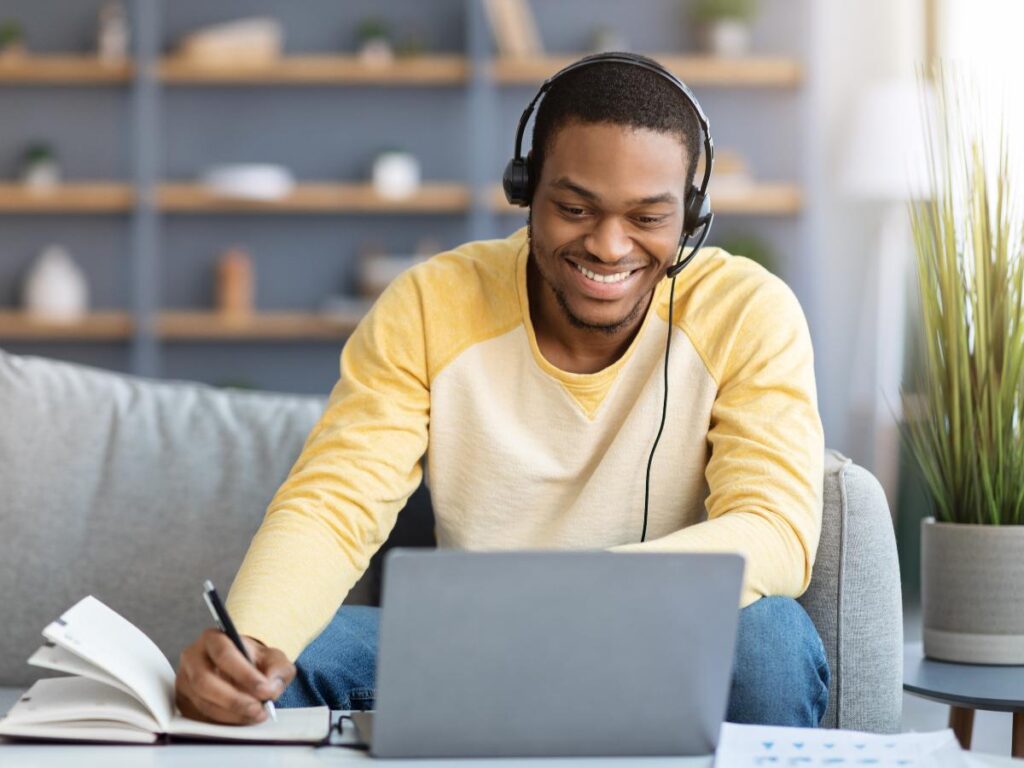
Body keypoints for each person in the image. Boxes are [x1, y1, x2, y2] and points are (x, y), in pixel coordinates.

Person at [174, 53, 829, 729]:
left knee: (771, 639)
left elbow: (776, 528)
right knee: (292, 661)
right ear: (526, 189)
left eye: (647, 218)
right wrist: (248, 645)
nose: (608, 245)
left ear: (691, 216)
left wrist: (566, 596)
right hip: (476, 648)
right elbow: (335, 504)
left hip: (667, 643)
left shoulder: (748, 312)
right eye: (575, 208)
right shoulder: (431, 305)